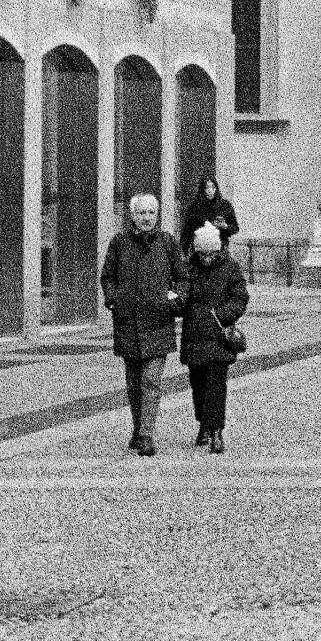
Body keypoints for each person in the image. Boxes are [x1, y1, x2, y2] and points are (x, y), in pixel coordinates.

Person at [100, 192, 185, 455]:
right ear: (132, 216)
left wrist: (176, 301)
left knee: (151, 380)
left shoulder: (167, 243)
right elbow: (108, 276)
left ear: (157, 216)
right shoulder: (119, 242)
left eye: (151, 213)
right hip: (128, 323)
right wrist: (114, 299)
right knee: (134, 382)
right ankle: (138, 429)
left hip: (158, 321)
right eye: (141, 213)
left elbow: (182, 278)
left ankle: (147, 434)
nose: (146, 218)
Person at [179, 221, 250, 453]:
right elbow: (181, 297)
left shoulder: (230, 268)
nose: (206, 258)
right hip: (194, 336)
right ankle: (203, 424)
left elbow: (240, 297)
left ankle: (216, 431)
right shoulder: (189, 268)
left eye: (211, 253)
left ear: (218, 250)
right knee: (198, 385)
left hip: (219, 337)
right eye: (202, 254)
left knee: (216, 386)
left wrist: (222, 314)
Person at [181, 173, 240, 253]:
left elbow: (235, 227)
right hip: (199, 250)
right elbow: (187, 232)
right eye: (207, 187)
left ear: (216, 189)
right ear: (202, 189)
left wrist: (224, 226)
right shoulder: (195, 207)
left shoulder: (225, 206)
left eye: (213, 187)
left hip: (219, 249)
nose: (210, 190)